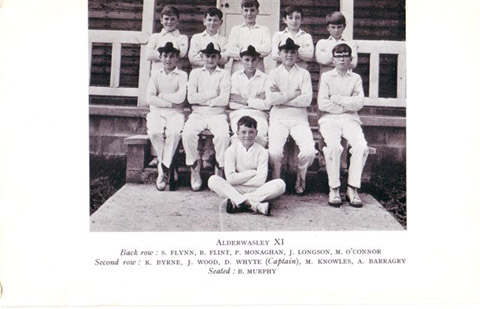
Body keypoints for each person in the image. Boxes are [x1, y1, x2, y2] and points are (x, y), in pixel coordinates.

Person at [317, 43, 369, 207]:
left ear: (350, 59)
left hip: (350, 119)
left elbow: (359, 103)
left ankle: (352, 188)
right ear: (333, 59)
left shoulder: (356, 78)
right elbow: (322, 104)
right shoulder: (326, 77)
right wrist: (347, 104)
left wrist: (337, 99)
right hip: (329, 119)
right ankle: (334, 188)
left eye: (345, 55)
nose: (341, 59)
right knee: (333, 147)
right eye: (338, 56)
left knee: (361, 147)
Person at [267, 38, 317, 195]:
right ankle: (276, 180)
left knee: (309, 151)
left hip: (299, 119)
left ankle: (300, 178)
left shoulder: (304, 74)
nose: (289, 55)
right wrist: (294, 94)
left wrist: (282, 98)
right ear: (280, 54)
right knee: (274, 152)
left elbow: (307, 100)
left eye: (292, 52)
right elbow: (271, 99)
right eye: (286, 52)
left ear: (297, 54)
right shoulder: (273, 73)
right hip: (278, 118)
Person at [208, 116, 286, 216]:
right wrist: (253, 172)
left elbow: (260, 181)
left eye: (251, 132)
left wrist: (239, 178)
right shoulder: (231, 151)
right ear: (237, 134)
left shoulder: (262, 152)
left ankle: (237, 202)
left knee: (280, 184)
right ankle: (254, 205)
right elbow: (231, 179)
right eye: (243, 132)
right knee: (213, 180)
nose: (247, 135)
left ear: (256, 133)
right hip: (235, 188)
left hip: (256, 189)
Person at [182, 42, 231, 191]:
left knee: (223, 136)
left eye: (213, 56)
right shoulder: (195, 73)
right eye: (207, 56)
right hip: (197, 113)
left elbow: (224, 99)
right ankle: (194, 168)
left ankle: (219, 168)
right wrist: (213, 94)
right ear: (202, 57)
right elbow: (191, 99)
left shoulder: (224, 74)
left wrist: (202, 99)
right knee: (188, 134)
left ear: (218, 57)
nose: (210, 59)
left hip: (217, 114)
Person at [145, 42, 187, 191]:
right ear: (161, 58)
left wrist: (161, 95)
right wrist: (170, 102)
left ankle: (162, 169)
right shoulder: (155, 75)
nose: (168, 59)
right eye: (165, 56)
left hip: (176, 113)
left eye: (171, 56)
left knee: (174, 133)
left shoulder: (182, 75)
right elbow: (150, 98)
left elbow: (181, 97)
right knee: (154, 132)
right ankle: (165, 168)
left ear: (176, 58)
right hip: (157, 112)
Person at [229, 45, 271, 148]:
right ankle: (239, 163)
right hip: (238, 113)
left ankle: (257, 163)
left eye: (253, 60)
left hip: (259, 115)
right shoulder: (235, 77)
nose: (250, 63)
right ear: (241, 60)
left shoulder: (265, 78)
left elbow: (267, 105)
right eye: (247, 60)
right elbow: (232, 103)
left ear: (258, 61)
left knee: (259, 136)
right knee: (238, 137)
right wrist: (257, 101)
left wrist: (245, 101)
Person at [226, 0, 271, 74]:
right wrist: (255, 53)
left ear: (257, 11)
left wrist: (242, 51)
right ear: (241, 12)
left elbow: (266, 49)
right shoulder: (235, 29)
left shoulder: (264, 30)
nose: (249, 13)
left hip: (258, 70)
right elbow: (230, 50)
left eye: (252, 10)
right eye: (246, 10)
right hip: (238, 70)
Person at [315, 11, 358, 81]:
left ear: (344, 27)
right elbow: (322, 60)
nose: (336, 30)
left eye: (339, 27)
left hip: (345, 81)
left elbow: (353, 63)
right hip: (327, 81)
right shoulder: (322, 43)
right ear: (328, 28)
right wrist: (344, 60)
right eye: (333, 27)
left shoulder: (350, 44)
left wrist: (330, 61)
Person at [146, 5, 188, 74]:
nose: (169, 22)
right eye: (166, 19)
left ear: (177, 21)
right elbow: (148, 55)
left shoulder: (182, 38)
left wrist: (158, 53)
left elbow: (181, 54)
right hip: (157, 76)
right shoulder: (155, 37)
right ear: (161, 20)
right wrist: (172, 54)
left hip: (175, 76)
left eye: (172, 19)